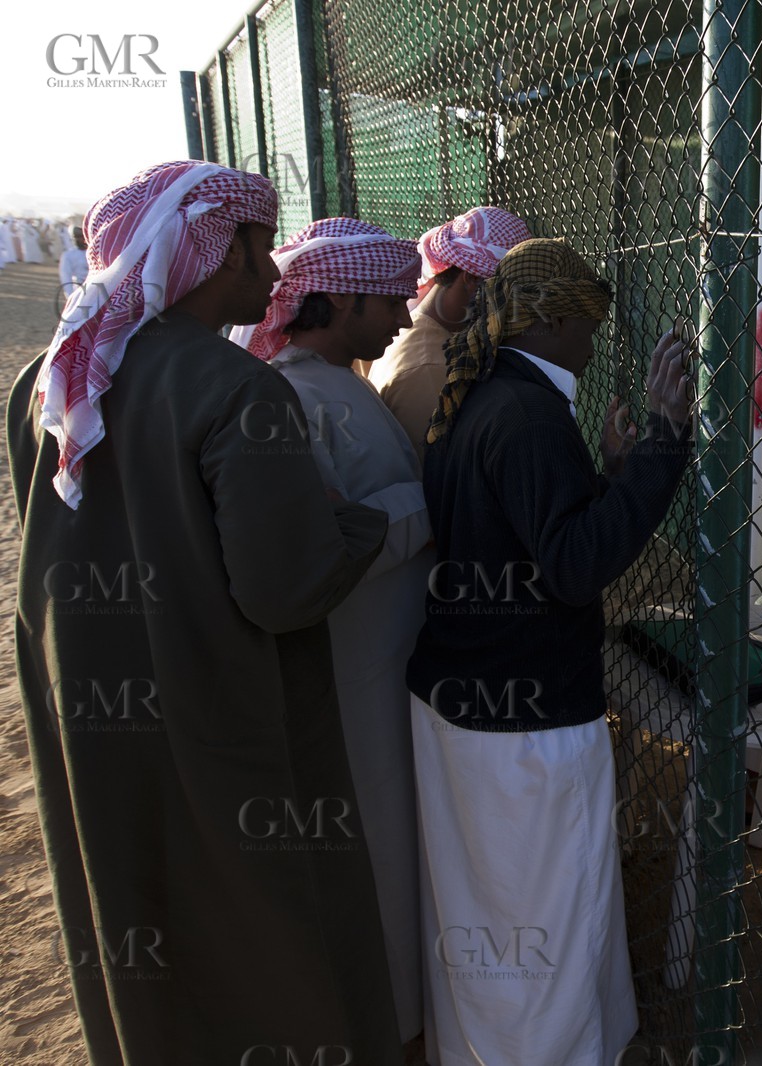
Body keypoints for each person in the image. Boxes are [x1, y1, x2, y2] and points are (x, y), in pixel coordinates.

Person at [6, 161, 402, 1063]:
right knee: (270, 941)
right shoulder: (236, 389)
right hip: (223, 718)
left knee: (130, 903)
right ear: (208, 249)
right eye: (259, 250)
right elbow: (285, 587)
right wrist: (361, 518)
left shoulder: (49, 375)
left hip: (90, 715)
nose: (271, 281)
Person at [406, 238, 692, 1066]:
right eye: (590, 323)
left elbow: (526, 537)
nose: (595, 341)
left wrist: (605, 478)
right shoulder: (529, 411)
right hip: (520, 727)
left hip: (456, 704)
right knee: (548, 924)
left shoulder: (481, 395)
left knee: (480, 915)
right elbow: (571, 568)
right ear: (557, 317)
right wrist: (664, 445)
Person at [232, 216, 433, 1045]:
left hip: (387, 658)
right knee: (379, 843)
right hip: (351, 670)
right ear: (340, 297)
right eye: (389, 300)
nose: (400, 318)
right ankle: (390, 1023)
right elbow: (327, 539)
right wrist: (442, 502)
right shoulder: (294, 398)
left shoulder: (336, 382)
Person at [358, 206, 533, 456]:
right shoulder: (432, 369)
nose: (514, 306)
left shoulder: (423, 326)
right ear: (471, 279)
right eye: (509, 292)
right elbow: (440, 480)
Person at [58, 225, 88, 300]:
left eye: (82, 237)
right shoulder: (68, 255)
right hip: (79, 290)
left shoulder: (95, 253)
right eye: (77, 238)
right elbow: (66, 277)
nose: (81, 240)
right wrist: (70, 296)